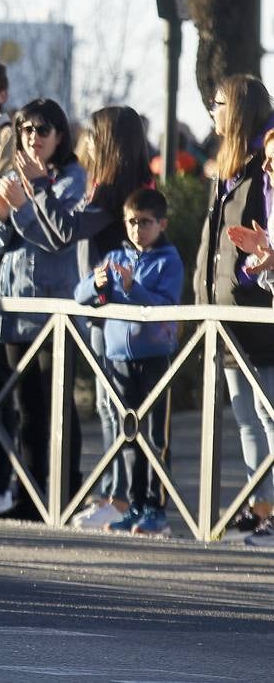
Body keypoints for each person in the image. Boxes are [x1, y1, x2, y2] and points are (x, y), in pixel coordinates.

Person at [19, 106, 153, 529]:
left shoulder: (116, 191)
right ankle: (115, 495)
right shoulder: (108, 186)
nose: (84, 141)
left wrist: (39, 186)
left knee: (121, 410)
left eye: (92, 134)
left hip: (119, 313)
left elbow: (64, 231)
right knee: (109, 407)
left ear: (108, 141)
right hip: (101, 309)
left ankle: (126, 500)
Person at [0, 98, 86, 520]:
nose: (33, 139)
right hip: (13, 311)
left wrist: (21, 205)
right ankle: (29, 498)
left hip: (52, 311)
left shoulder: (72, 179)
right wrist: (1, 216)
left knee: (57, 405)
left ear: (60, 136)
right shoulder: (13, 175)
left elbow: (54, 238)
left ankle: (66, 494)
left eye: (43, 131)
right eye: (26, 131)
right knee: (26, 410)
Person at [194, 75, 274, 541]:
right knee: (244, 414)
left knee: (268, 413)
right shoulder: (226, 168)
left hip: (257, 310)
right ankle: (258, 503)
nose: (211, 110)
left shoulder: (264, 168)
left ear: (239, 109)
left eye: (218, 103)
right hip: (222, 313)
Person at [74, 187, 181, 536]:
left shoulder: (169, 260)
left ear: (161, 224)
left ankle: (155, 508)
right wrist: (97, 283)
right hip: (118, 356)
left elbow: (162, 306)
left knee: (154, 436)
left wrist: (132, 286)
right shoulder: (116, 255)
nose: (137, 230)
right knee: (128, 436)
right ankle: (134, 505)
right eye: (131, 222)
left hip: (154, 356)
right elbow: (81, 295)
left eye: (145, 223)